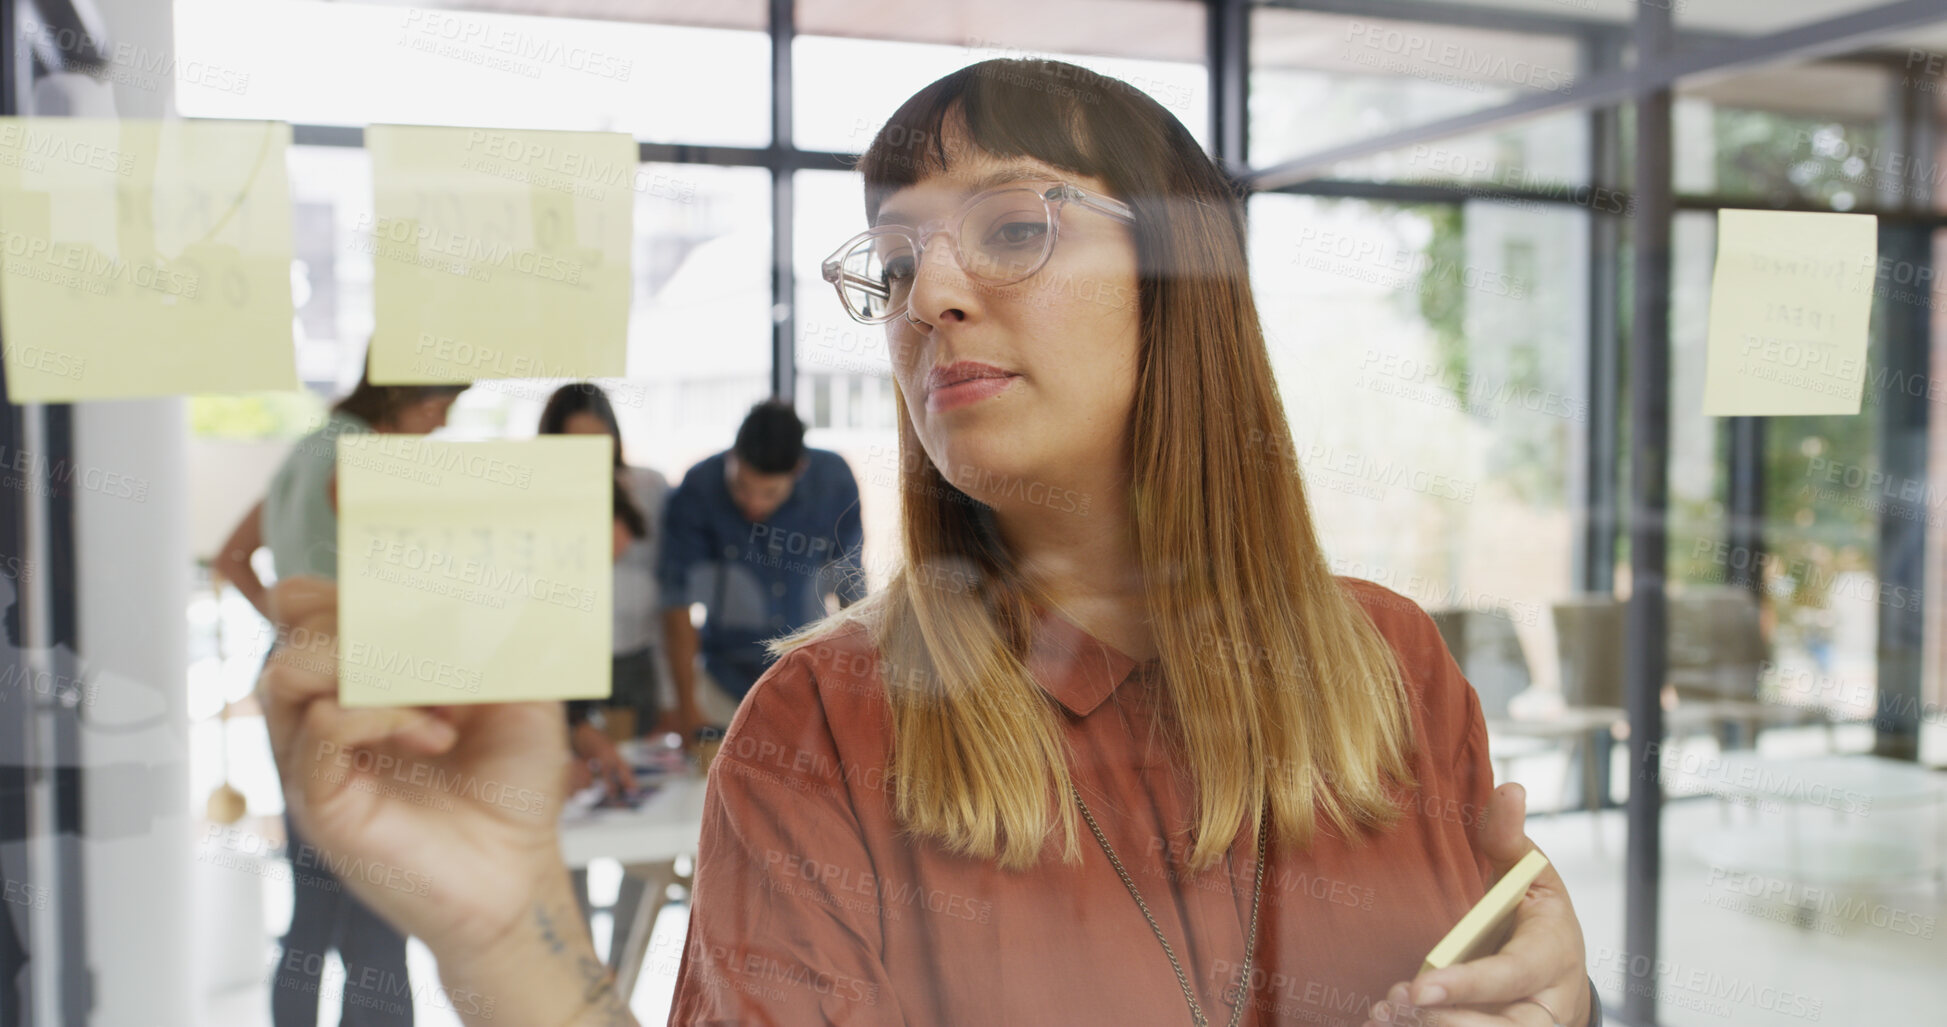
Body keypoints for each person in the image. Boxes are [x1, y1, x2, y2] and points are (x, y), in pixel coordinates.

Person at [253, 59, 1597, 1027]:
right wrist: (509, 940)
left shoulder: (1393, 661)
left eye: (1012, 229)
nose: (928, 296)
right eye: (893, 266)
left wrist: (1558, 1000)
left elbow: (1487, 967)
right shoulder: (824, 728)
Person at [215, 363, 464, 1027]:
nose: (443, 421)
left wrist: (293, 626)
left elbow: (231, 556)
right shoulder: (370, 460)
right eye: (440, 402)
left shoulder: (309, 446)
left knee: (316, 898)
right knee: (380, 907)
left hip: (296, 681)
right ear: (404, 390)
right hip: (358, 684)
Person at [658, 399, 864, 739]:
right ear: (731, 456)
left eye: (768, 493)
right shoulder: (698, 488)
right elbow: (676, 601)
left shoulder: (833, 482)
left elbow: (852, 590)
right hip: (723, 685)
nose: (753, 503)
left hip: (810, 682)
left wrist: (854, 696)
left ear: (798, 470)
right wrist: (688, 712)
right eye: (742, 487)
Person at [537, 383, 664, 793]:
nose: (589, 459)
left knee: (635, 792)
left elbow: (670, 595)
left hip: (632, 666)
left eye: (598, 443)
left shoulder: (647, 489)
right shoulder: (536, 499)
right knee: (570, 804)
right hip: (562, 672)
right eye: (575, 447)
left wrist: (674, 697)